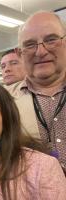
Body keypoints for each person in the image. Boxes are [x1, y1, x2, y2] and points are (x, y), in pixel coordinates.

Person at [9, 11, 66, 172]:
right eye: (30, 44)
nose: (40, 51)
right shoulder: (2, 101)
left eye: (51, 40)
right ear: (20, 53)